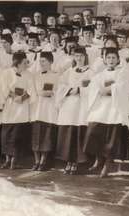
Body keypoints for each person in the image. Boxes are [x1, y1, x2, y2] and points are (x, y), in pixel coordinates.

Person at [84, 47, 129, 177]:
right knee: (94, 131)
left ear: (118, 60)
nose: (111, 60)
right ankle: (98, 160)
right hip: (101, 107)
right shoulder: (100, 75)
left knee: (111, 137)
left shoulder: (122, 73)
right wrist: (103, 90)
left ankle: (107, 165)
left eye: (113, 58)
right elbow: (93, 87)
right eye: (108, 58)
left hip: (114, 107)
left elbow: (123, 87)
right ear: (104, 60)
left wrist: (108, 90)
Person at [0, 52, 37, 170]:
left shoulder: (29, 75)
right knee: (6, 134)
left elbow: (32, 90)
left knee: (17, 135)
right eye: (24, 62)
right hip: (10, 106)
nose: (26, 64)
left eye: (27, 62)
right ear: (17, 63)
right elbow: (3, 88)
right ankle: (7, 159)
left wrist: (22, 97)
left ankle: (15, 160)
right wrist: (13, 96)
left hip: (22, 107)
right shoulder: (7, 73)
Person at [55, 47, 93, 175]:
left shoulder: (90, 72)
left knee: (78, 133)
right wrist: (68, 90)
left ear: (85, 56)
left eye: (81, 56)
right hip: (69, 107)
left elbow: (93, 88)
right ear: (73, 57)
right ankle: (68, 161)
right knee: (68, 134)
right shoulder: (68, 72)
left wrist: (80, 90)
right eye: (76, 56)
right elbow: (60, 86)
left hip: (81, 107)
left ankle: (76, 162)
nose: (79, 58)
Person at [30, 52, 59, 171]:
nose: (41, 63)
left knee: (46, 137)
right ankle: (36, 161)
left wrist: (52, 93)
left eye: (44, 61)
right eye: (40, 61)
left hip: (49, 109)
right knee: (36, 137)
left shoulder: (57, 76)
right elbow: (32, 90)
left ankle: (43, 161)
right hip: (37, 109)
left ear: (51, 62)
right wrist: (38, 93)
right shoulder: (35, 75)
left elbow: (59, 91)